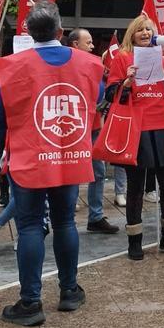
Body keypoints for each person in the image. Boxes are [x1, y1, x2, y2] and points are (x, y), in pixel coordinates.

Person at [0, 2, 103, 325]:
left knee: (31, 226)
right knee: (65, 222)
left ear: (27, 32)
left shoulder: (10, 67)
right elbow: (96, 96)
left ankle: (31, 302)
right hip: (69, 155)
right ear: (61, 32)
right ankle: (69, 291)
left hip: (29, 159)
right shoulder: (89, 64)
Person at [104, 14, 164, 260]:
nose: (145, 33)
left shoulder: (162, 57)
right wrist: (128, 81)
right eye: (140, 29)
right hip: (137, 129)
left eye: (149, 30)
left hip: (161, 126)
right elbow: (111, 94)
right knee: (136, 187)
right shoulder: (122, 58)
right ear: (132, 33)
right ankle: (135, 241)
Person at [66, 28, 118, 236]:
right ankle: (66, 217)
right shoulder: (66, 66)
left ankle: (95, 217)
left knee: (98, 172)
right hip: (76, 128)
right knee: (73, 172)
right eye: (88, 42)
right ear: (75, 45)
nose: (93, 46)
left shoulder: (95, 64)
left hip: (95, 126)